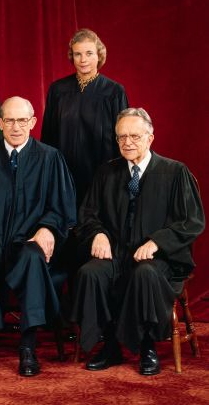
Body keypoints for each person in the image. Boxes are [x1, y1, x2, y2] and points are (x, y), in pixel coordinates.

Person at [72, 108, 204, 376]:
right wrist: (97, 233)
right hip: (118, 253)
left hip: (160, 260)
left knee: (144, 273)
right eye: (121, 137)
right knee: (91, 272)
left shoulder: (175, 172)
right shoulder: (106, 173)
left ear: (150, 138)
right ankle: (110, 345)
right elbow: (87, 215)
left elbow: (192, 221)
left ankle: (147, 346)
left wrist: (156, 242)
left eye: (134, 136)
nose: (127, 142)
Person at [0, 97, 76, 376]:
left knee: (33, 257)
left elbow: (62, 208)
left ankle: (28, 346)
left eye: (22, 120)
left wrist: (47, 228)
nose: (16, 127)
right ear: (0, 123)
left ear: (33, 123)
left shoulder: (50, 158)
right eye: (9, 120)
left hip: (29, 242)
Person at [41, 28, 128, 209]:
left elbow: (123, 138)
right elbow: (48, 135)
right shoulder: (58, 90)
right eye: (77, 54)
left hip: (102, 174)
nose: (83, 60)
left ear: (99, 55)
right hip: (64, 174)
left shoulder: (114, 92)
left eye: (89, 53)